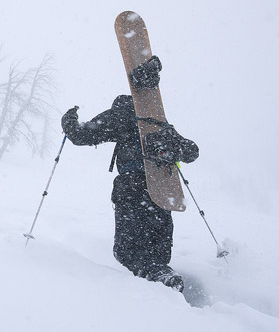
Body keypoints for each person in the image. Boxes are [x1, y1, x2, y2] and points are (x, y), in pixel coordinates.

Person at [61, 56, 198, 292]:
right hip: (162, 191)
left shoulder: (123, 112)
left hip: (132, 189)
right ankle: (162, 278)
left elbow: (82, 135)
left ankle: (154, 286)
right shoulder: (159, 121)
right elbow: (192, 151)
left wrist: (69, 120)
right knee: (157, 252)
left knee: (126, 251)